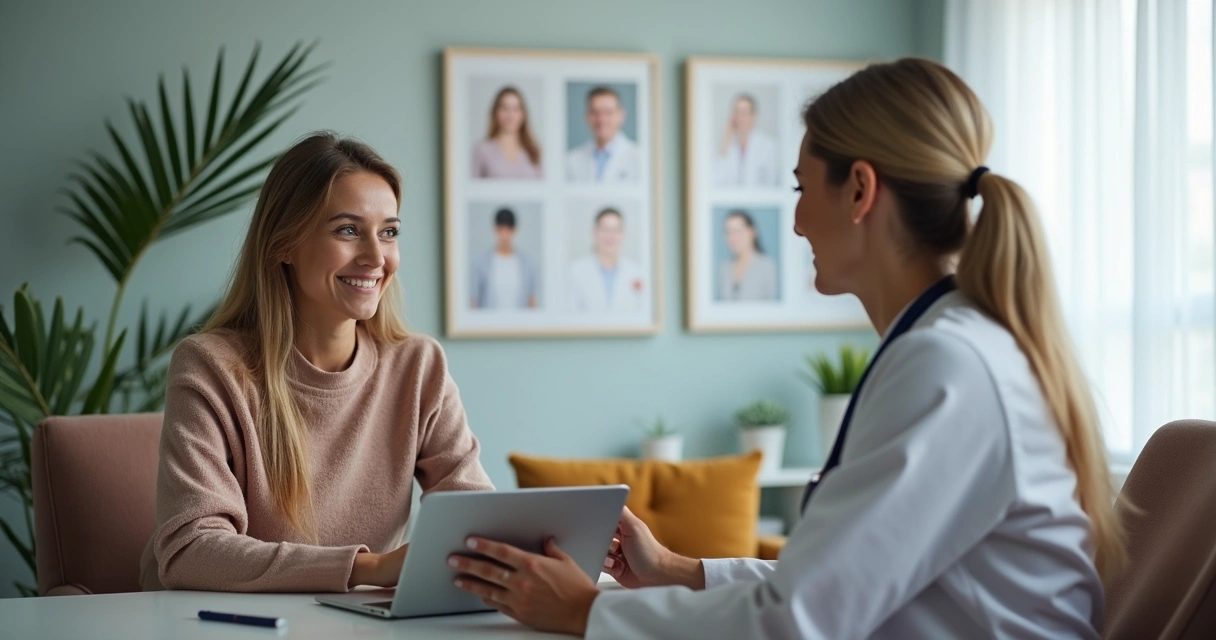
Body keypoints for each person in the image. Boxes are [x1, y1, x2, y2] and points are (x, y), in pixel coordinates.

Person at [446, 58, 1126, 638]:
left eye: (801, 189)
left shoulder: (946, 367)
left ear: (859, 189)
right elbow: (836, 581)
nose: (795, 222)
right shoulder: (953, 348)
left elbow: (799, 621)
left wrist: (586, 611)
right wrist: (679, 570)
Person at [139, 132, 494, 593]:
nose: (376, 257)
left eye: (388, 232)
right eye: (348, 230)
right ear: (283, 245)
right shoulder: (210, 366)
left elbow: (475, 516)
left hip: (360, 621)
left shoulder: (418, 366)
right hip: (227, 621)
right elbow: (191, 550)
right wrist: (368, 569)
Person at [566, 207, 647, 313]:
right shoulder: (574, 271)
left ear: (623, 234)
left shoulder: (637, 272)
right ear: (594, 233)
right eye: (605, 230)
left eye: (615, 230)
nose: (610, 236)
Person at [565, 86, 640, 183]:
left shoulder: (640, 158)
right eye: (595, 112)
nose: (601, 119)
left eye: (608, 112)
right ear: (587, 116)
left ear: (621, 115)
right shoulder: (571, 160)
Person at [470, 207, 540, 309]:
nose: (504, 236)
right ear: (495, 229)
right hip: (489, 319)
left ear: (515, 230)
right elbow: (474, 301)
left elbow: (532, 300)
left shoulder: (528, 263)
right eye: (501, 230)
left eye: (508, 230)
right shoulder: (481, 263)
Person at [472, 86, 542, 179]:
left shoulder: (534, 151)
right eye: (505, 108)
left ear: (523, 114)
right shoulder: (482, 150)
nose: (510, 115)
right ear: (496, 113)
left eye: (516, 109)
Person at [712, 93, 779, 187]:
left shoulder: (769, 146)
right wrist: (726, 143)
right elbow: (715, 181)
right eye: (736, 112)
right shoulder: (728, 146)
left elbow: (772, 183)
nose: (739, 117)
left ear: (753, 116)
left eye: (743, 113)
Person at [717, 209, 778, 301]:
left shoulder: (767, 266)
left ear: (752, 232)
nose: (732, 237)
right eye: (728, 232)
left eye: (737, 231)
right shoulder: (724, 268)